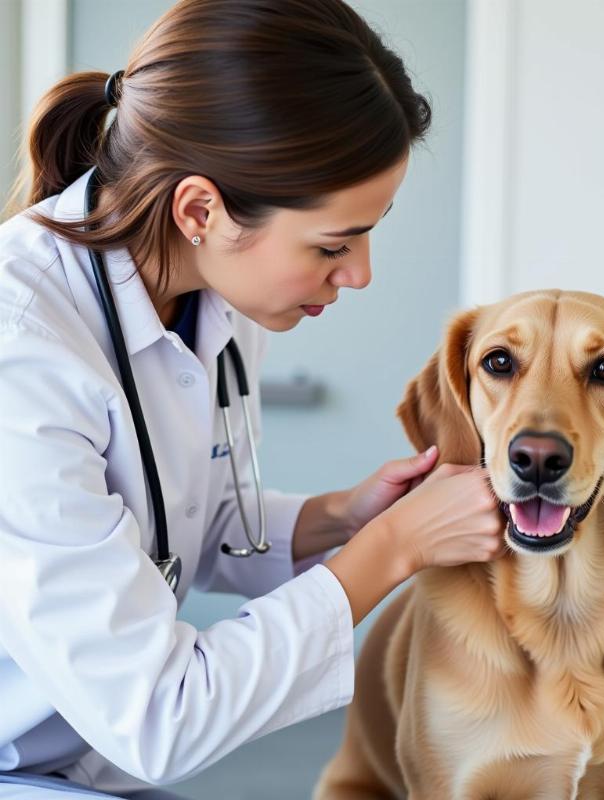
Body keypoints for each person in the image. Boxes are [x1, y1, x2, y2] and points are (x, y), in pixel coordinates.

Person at [0, 0, 505, 797]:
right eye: (333, 244)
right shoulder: (19, 354)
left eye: (370, 233)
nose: (360, 273)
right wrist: (390, 551)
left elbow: (186, 523)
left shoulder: (213, 291)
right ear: (201, 210)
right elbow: (161, 717)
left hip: (79, 756)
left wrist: (345, 516)